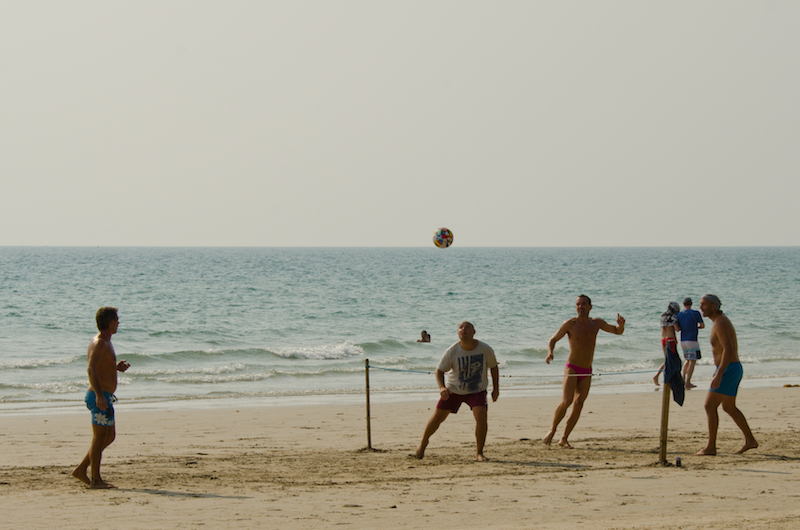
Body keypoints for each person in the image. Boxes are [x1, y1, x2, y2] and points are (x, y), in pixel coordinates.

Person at [543, 295, 625, 448]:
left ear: (590, 307)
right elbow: (553, 339)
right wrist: (549, 352)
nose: (580, 307)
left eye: (583, 304)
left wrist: (621, 325)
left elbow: (617, 331)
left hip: (587, 369)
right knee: (567, 401)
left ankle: (564, 438)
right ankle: (552, 430)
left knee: (579, 403)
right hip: (572, 367)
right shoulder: (570, 324)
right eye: (578, 304)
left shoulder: (596, 324)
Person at [415, 321, 499, 461]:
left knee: (481, 417)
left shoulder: (485, 349)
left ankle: (479, 452)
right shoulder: (452, 350)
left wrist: (496, 389)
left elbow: (494, 367)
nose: (463, 330)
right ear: (458, 332)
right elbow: (439, 371)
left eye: (467, 328)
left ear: (474, 332)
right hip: (454, 390)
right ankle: (423, 442)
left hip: (476, 390)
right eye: (461, 328)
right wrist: (442, 387)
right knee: (437, 418)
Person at [72, 307, 130, 489]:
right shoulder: (100, 343)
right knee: (99, 438)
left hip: (106, 396)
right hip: (99, 396)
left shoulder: (106, 342)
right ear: (110, 322)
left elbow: (101, 367)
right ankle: (96, 479)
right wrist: (99, 396)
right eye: (116, 320)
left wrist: (115, 367)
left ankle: (82, 469)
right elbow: (91, 369)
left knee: (109, 436)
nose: (118, 323)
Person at [696, 295, 758, 455]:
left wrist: (720, 373)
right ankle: (750, 440)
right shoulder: (719, 321)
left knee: (710, 406)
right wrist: (718, 370)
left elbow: (728, 350)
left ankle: (711, 447)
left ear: (713, 307)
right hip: (731, 368)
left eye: (703, 305)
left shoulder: (720, 322)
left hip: (729, 369)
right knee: (728, 407)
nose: (700, 307)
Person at [677, 297, 704, 389]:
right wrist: (696, 327)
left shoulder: (679, 314)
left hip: (683, 340)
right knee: (693, 361)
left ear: (683, 304)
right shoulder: (695, 313)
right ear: (691, 304)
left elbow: (678, 328)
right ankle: (688, 381)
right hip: (692, 339)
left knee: (687, 360)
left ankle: (683, 379)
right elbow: (702, 325)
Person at [654, 302, 681, 387]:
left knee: (667, 360)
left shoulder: (663, 316)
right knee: (672, 360)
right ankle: (668, 379)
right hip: (671, 339)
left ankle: (658, 376)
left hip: (663, 339)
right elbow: (676, 329)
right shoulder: (673, 316)